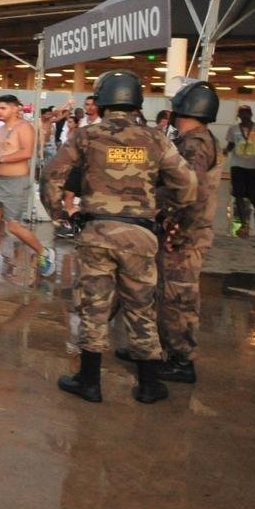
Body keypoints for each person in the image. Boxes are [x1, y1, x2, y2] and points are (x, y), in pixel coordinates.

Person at [42, 71, 197, 404]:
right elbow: (187, 184)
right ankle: (150, 385)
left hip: (96, 233)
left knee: (94, 307)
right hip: (140, 236)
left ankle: (89, 382)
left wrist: (59, 214)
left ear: (102, 100)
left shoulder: (86, 136)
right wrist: (172, 215)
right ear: (136, 101)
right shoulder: (155, 139)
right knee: (141, 308)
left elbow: (52, 176)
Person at [143, 81, 221, 384]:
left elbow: (189, 188)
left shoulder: (194, 143)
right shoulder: (195, 139)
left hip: (185, 234)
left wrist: (171, 218)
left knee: (179, 298)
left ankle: (181, 360)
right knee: (168, 294)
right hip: (185, 230)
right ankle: (168, 351)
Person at [0, 94, 55, 278]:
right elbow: (1, 151)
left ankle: (43, 251)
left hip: (16, 182)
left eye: (3, 108)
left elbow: (27, 152)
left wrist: (1, 158)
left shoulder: (24, 128)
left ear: (15, 109)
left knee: (13, 226)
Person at [225, 104, 255, 234]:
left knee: (253, 195)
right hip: (237, 165)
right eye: (242, 114)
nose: (244, 116)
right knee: (238, 195)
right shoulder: (233, 129)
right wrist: (225, 152)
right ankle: (244, 225)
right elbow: (231, 144)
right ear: (238, 116)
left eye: (247, 114)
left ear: (251, 115)